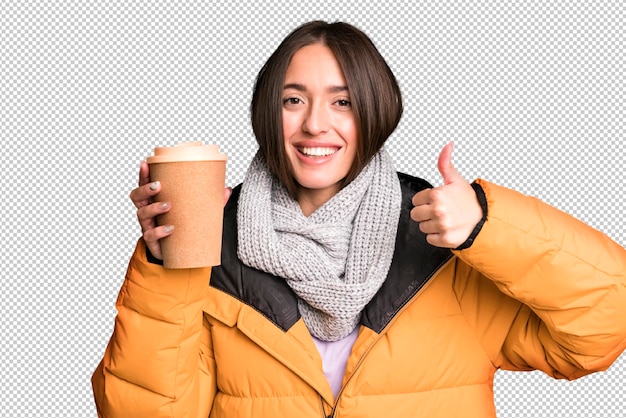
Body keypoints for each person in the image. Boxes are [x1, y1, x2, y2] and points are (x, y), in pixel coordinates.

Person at [92, 20, 626, 417]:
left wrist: (489, 225)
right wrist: (168, 264)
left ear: (375, 110)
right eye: (293, 99)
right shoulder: (215, 243)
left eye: (342, 101)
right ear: (267, 114)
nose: (315, 124)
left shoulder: (439, 240)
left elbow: (604, 327)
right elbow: (145, 412)